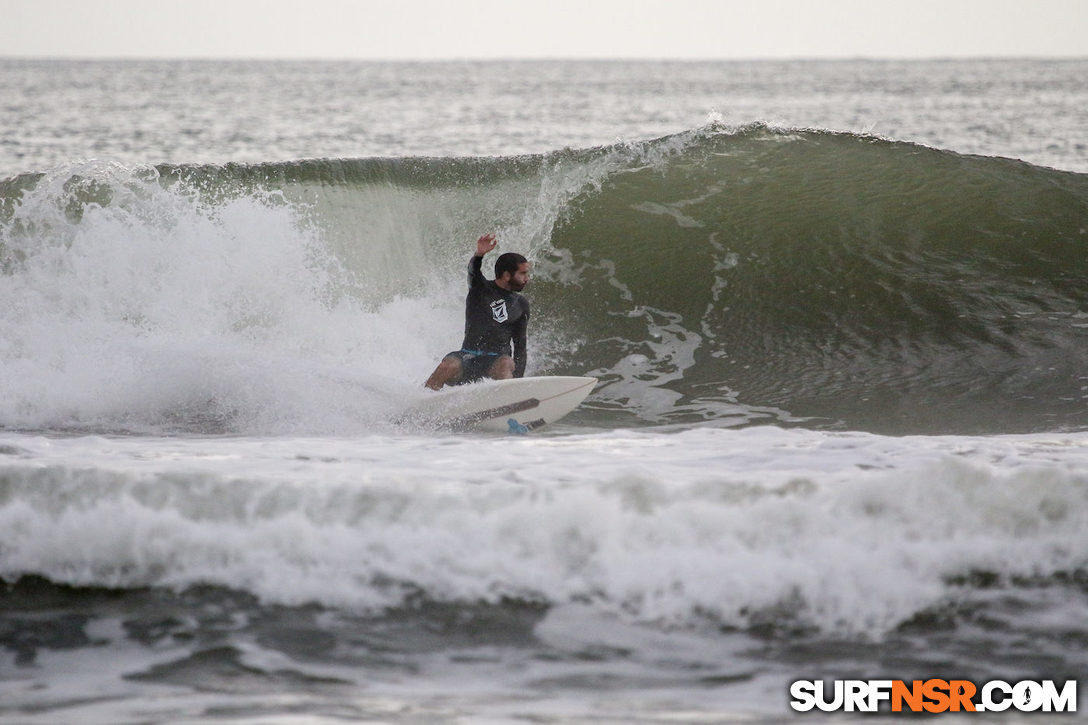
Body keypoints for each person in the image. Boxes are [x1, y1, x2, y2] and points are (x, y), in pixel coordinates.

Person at [424, 234, 531, 390]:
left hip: (495, 363)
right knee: (447, 366)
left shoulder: (521, 304)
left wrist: (518, 384)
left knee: (506, 363)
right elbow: (473, 272)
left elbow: (520, 346)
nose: (527, 278)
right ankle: (422, 405)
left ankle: (508, 401)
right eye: (522, 274)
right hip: (467, 357)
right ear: (507, 275)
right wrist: (479, 255)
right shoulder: (480, 289)